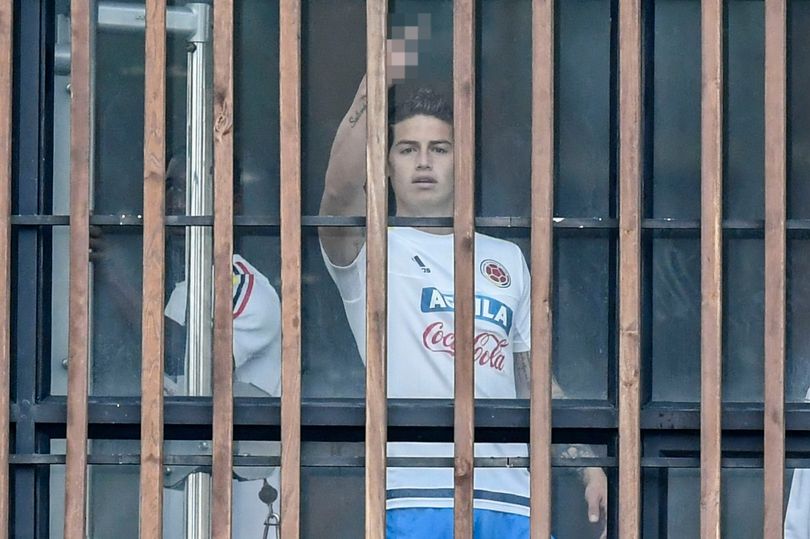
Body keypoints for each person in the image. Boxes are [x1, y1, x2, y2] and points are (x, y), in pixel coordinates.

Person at [318, 39, 608, 539]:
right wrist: (377, 78)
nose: (424, 162)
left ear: (461, 161)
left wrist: (587, 464)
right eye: (408, 149)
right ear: (386, 165)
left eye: (439, 149)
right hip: (414, 495)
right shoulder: (369, 250)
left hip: (512, 501)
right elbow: (339, 192)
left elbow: (533, 380)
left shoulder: (507, 259)